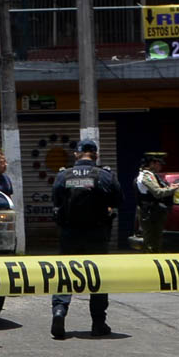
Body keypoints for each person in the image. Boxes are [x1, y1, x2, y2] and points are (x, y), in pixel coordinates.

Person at [50, 139, 120, 339]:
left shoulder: (63, 175)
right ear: (95, 155)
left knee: (65, 275)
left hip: (69, 234)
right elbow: (119, 200)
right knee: (97, 278)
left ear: (76, 155)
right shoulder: (105, 175)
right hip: (97, 235)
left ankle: (59, 311)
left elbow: (55, 201)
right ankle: (98, 323)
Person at [134, 152, 176, 254]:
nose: (160, 166)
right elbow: (157, 192)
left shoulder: (152, 175)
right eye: (159, 163)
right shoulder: (146, 176)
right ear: (152, 163)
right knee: (151, 243)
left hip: (153, 212)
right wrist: (172, 189)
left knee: (155, 242)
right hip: (150, 213)